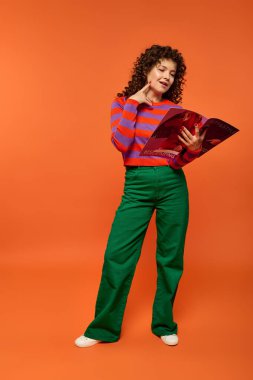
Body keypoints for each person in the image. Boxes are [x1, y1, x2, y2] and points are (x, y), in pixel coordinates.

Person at [75, 44, 206, 348]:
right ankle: (102, 329)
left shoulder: (175, 112)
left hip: (173, 184)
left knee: (170, 256)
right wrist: (134, 103)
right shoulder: (122, 104)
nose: (166, 76)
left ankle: (164, 323)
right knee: (117, 255)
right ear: (146, 70)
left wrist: (193, 152)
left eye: (173, 73)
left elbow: (176, 160)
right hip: (137, 186)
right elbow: (121, 143)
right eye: (161, 69)